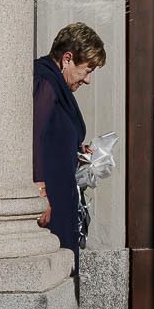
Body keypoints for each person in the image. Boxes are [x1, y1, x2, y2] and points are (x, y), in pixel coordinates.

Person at [33, 23, 105, 268]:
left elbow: (52, 137)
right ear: (67, 59)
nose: (88, 80)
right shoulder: (45, 82)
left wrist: (77, 152)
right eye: (87, 70)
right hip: (50, 200)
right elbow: (34, 137)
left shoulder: (56, 84)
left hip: (60, 194)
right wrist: (40, 194)